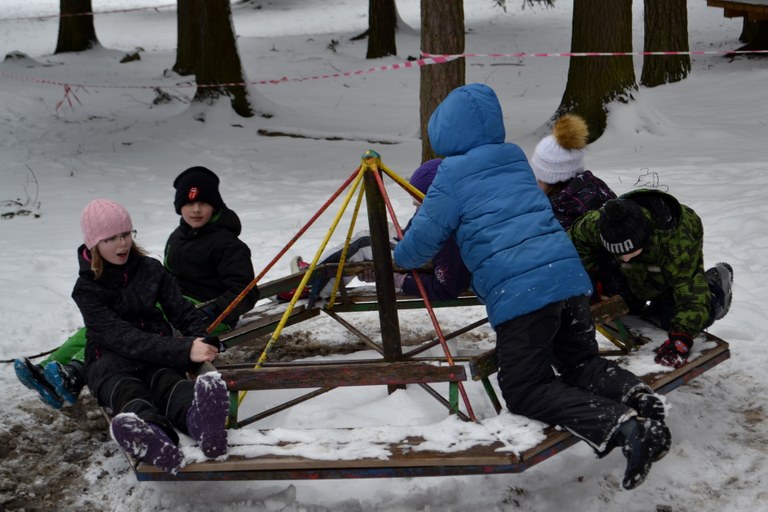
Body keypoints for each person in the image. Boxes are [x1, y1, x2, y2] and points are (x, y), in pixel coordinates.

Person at [393, 83, 670, 490]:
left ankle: (624, 427)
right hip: (569, 280)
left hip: (522, 293)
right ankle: (640, 398)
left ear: (446, 132)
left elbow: (420, 246)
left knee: (524, 389)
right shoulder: (516, 160)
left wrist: (396, 259)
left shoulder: (450, 175)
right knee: (579, 363)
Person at [14, 166, 258, 410]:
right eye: (189, 203)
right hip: (177, 301)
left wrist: (215, 310)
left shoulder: (228, 244)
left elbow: (246, 291)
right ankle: (50, 370)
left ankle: (74, 372)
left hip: (206, 312)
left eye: (203, 203)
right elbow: (169, 275)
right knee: (100, 325)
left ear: (215, 205)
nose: (195, 210)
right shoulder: (179, 236)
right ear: (179, 206)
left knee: (122, 328)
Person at [73, 198, 229, 474]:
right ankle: (151, 438)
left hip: (158, 359)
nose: (121, 244)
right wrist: (183, 349)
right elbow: (123, 338)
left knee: (172, 387)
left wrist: (201, 338)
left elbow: (181, 310)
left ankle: (204, 425)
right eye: (110, 239)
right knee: (131, 395)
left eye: (125, 234)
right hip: (110, 364)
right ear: (94, 244)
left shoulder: (151, 270)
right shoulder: (87, 290)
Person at [568, 190, 734, 368]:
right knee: (621, 306)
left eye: (629, 252)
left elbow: (690, 293)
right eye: (618, 253)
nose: (624, 257)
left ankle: (715, 286)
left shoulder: (677, 241)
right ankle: (646, 299)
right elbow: (574, 242)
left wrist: (681, 339)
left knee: (680, 317)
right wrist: (589, 277)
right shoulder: (597, 223)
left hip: (670, 273)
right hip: (629, 274)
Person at [530, 113, 617, 230]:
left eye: (539, 179)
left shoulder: (561, 212)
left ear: (550, 180)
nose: (536, 184)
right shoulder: (596, 186)